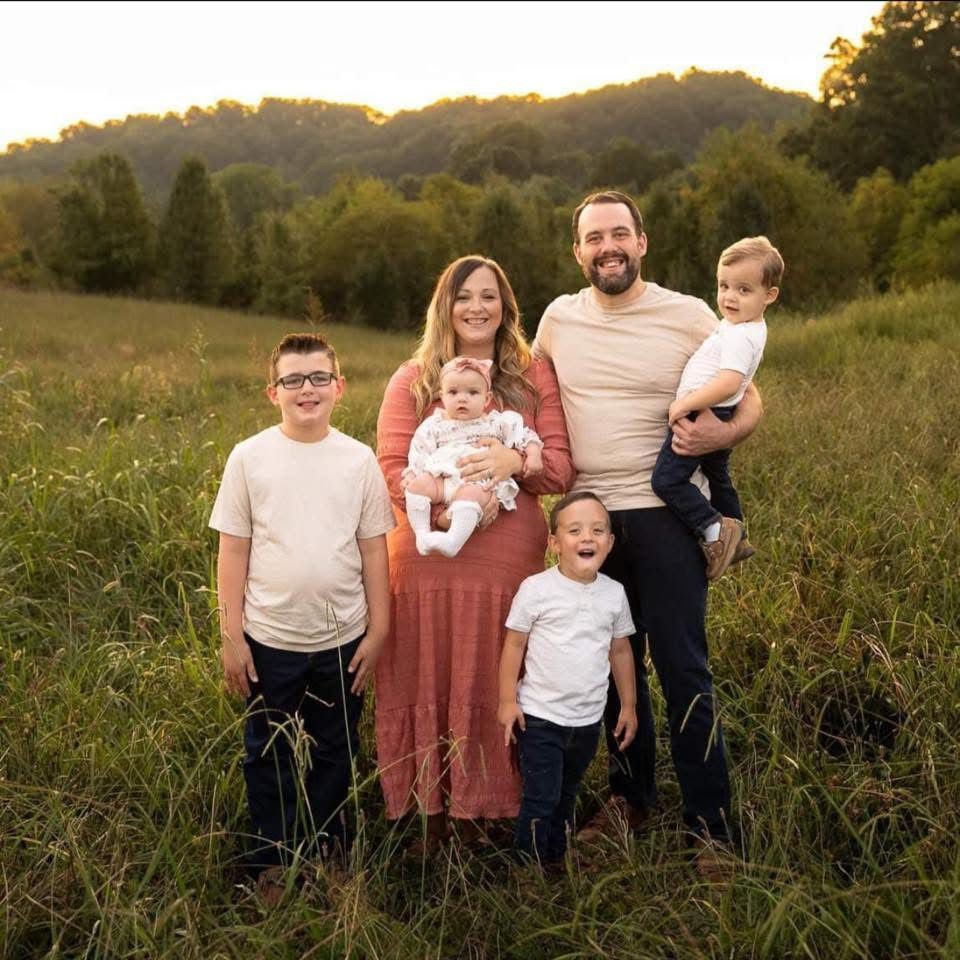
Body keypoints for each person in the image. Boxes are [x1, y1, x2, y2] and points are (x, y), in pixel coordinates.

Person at [533, 191, 763, 869]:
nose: (608, 247)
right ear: (578, 251)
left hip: (665, 515)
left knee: (684, 671)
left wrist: (727, 428)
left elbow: (748, 392)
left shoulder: (689, 315)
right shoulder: (558, 319)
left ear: (642, 241)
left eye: (619, 235)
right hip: (589, 526)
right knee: (606, 668)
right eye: (594, 238)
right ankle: (630, 798)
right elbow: (514, 384)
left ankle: (711, 827)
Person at [376, 255, 575, 849]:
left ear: (506, 306)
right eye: (464, 296)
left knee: (495, 677)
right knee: (425, 670)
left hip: (505, 562)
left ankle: (489, 815)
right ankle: (427, 815)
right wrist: (452, 505)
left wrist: (512, 465)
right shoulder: (412, 378)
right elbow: (391, 469)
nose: (477, 307)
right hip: (423, 557)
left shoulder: (531, 373)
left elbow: (559, 467)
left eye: (489, 296)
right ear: (446, 305)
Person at [209, 332, 394, 904]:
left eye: (318, 378)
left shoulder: (358, 460)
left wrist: (380, 629)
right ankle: (273, 858)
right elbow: (233, 550)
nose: (306, 388)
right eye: (293, 379)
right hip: (269, 640)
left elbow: (372, 551)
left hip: (343, 639)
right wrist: (231, 635)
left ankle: (327, 851)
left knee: (335, 748)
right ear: (273, 392)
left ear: (339, 387)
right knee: (268, 752)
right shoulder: (250, 456)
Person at [498, 491, 637, 867]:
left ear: (610, 541)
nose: (587, 538)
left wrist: (628, 706)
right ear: (555, 543)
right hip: (541, 717)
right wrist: (507, 701)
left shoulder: (613, 594)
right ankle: (527, 869)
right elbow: (514, 645)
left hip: (587, 721)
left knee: (567, 792)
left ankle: (556, 859)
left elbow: (621, 651)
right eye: (575, 530)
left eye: (597, 529)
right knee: (541, 797)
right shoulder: (537, 590)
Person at [651, 236, 783, 580]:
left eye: (743, 290)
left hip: (705, 412)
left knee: (667, 480)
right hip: (719, 411)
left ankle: (714, 530)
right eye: (724, 286)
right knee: (717, 475)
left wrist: (684, 404)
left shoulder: (741, 335)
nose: (729, 297)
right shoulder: (743, 325)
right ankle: (736, 531)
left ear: (769, 295)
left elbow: (728, 382)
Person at [404, 354, 544, 558]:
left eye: (472, 392)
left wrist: (533, 453)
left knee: (473, 496)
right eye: (453, 392)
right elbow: (419, 450)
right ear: (442, 397)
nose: (462, 398)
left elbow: (525, 435)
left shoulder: (496, 423)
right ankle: (422, 535)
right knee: (417, 487)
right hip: (442, 480)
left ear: (487, 399)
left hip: (476, 482)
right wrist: (412, 474)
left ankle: (453, 541)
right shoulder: (434, 425)